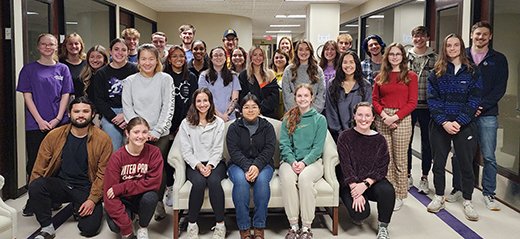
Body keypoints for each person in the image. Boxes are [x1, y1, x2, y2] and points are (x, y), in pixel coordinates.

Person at [28, 96, 112, 239]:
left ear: (92, 114)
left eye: (85, 111)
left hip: (86, 188)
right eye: (76, 111)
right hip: (61, 184)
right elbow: (39, 167)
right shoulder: (54, 135)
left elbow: (103, 173)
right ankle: (47, 227)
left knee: (89, 229)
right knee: (36, 186)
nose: (80, 115)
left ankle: (77, 207)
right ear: (69, 114)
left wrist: (92, 199)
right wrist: (34, 197)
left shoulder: (103, 139)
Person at [446, 22, 509, 211]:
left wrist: (480, 106)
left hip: (487, 114)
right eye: (477, 34)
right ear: (471, 35)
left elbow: (500, 88)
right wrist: (468, 108)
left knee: (489, 156)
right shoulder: (460, 55)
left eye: (484, 35)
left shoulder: (499, 59)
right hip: (463, 113)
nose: (480, 37)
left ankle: (488, 193)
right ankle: (458, 188)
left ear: (490, 37)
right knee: (459, 154)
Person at [426, 33, 482, 222]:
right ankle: (439, 196)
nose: (452, 48)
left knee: (466, 164)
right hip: (441, 125)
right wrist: (444, 122)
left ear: (461, 47)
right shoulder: (437, 72)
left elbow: (475, 99)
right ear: (444, 48)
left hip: (464, 125)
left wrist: (460, 121)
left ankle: (467, 200)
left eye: (456, 45)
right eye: (448, 45)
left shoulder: (472, 71)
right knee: (439, 163)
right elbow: (432, 100)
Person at [122, 44, 175, 221]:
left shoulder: (165, 79)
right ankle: (136, 206)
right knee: (135, 170)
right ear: (137, 61)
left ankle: (157, 202)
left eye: (151, 59)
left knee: (156, 170)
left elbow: (168, 107)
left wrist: (157, 130)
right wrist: (139, 132)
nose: (147, 62)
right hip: (135, 134)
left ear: (157, 60)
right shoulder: (129, 81)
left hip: (159, 133)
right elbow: (127, 108)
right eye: (143, 59)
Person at [17, 33, 73, 185]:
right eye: (44, 44)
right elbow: (27, 97)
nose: (47, 47)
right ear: (38, 46)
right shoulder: (28, 70)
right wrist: (40, 121)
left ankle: (54, 198)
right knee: (36, 161)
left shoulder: (63, 69)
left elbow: (65, 95)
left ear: (56, 47)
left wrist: (57, 119)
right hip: (36, 124)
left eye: (51, 44)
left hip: (59, 123)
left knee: (57, 160)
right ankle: (35, 199)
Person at [337, 102, 395, 239]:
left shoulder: (380, 139)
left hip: (371, 182)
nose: (364, 119)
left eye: (367, 115)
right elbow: (345, 166)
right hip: (351, 183)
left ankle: (383, 227)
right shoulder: (344, 137)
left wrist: (366, 184)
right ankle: (359, 205)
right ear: (354, 117)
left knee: (388, 191)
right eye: (360, 115)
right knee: (360, 214)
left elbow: (382, 167)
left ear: (373, 118)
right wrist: (355, 191)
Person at [372, 43, 418, 211]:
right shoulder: (380, 76)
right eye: (391, 54)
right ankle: (389, 192)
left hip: (402, 118)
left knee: (400, 158)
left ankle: (400, 194)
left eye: (398, 54)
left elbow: (412, 102)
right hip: (383, 118)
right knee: (386, 158)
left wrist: (395, 117)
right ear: (387, 57)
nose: (395, 57)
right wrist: (385, 116)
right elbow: (375, 100)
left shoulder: (410, 76)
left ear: (403, 57)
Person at [279, 84, 327, 239]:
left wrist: (304, 163)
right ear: (295, 98)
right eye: (299, 96)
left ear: (312, 97)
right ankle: (293, 225)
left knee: (305, 179)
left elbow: (318, 148)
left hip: (313, 163)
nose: (303, 99)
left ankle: (306, 227)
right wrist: (293, 162)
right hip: (290, 161)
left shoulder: (319, 119)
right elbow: (284, 144)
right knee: (287, 178)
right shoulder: (288, 118)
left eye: (306, 95)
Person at [104, 117, 164, 239]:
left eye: (144, 132)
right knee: (116, 226)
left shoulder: (154, 153)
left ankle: (142, 226)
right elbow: (108, 194)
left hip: (140, 197)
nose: (140, 136)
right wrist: (126, 228)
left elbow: (154, 183)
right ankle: (129, 219)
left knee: (151, 197)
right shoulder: (117, 157)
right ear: (127, 133)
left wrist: (123, 186)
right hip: (123, 200)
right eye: (136, 132)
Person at [179, 88, 227, 239]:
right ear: (194, 103)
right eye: (199, 101)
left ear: (210, 102)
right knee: (199, 183)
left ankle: (220, 224)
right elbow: (186, 151)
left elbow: (218, 149)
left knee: (213, 181)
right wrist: (199, 165)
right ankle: (192, 223)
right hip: (195, 163)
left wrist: (211, 165)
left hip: (215, 162)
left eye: (205, 100)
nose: (202, 104)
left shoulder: (218, 123)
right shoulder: (186, 123)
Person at [226, 94, 276, 239]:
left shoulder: (267, 127)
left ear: (259, 109)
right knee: (241, 182)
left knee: (261, 181)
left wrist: (256, 166)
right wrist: (248, 167)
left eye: (254, 107)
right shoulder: (234, 127)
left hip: (263, 164)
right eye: (246, 107)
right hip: (238, 165)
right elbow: (233, 151)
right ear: (241, 110)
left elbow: (269, 149)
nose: (250, 110)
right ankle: (244, 228)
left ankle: (259, 227)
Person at [163, 45, 198, 208]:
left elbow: (193, 101)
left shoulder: (191, 76)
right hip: (166, 124)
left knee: (183, 155)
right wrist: (169, 125)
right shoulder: (163, 76)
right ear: (169, 59)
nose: (178, 59)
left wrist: (184, 123)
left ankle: (183, 186)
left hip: (185, 123)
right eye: (175, 56)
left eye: (181, 56)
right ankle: (170, 187)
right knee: (168, 158)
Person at [91, 38, 139, 151]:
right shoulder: (101, 73)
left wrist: (126, 114)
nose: (120, 53)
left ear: (128, 52)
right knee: (114, 150)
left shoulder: (135, 70)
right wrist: (113, 117)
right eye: (116, 49)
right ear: (110, 52)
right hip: (110, 114)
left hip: (132, 111)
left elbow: (139, 96)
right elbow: (99, 100)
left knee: (133, 149)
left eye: (123, 50)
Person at [406, 26, 437, 194]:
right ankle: (408, 174)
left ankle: (424, 177)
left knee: (427, 143)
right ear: (412, 38)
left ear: (427, 37)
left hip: (428, 106)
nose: (419, 39)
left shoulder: (435, 58)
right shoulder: (405, 57)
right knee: (406, 142)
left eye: (422, 36)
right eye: (415, 36)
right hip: (409, 106)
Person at [326, 51, 372, 142]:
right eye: (345, 62)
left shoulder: (365, 85)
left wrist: (358, 131)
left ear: (357, 64)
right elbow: (331, 111)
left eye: (351, 62)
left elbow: (366, 111)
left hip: (360, 134)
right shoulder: (332, 84)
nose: (348, 65)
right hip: (337, 136)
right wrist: (340, 133)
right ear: (340, 64)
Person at [198, 46, 241, 122]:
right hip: (210, 117)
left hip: (229, 118)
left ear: (225, 58)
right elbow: (204, 98)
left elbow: (235, 98)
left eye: (221, 55)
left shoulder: (233, 76)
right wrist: (219, 115)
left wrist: (226, 115)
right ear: (211, 59)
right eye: (215, 55)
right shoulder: (204, 76)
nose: (218, 57)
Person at [282, 40, 325, 113]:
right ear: (296, 52)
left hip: (313, 114)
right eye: (300, 49)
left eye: (307, 49)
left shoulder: (318, 70)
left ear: (311, 51)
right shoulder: (288, 70)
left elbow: (321, 93)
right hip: (293, 114)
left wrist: (311, 112)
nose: (303, 52)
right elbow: (287, 94)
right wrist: (297, 112)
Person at [238, 46, 279, 119]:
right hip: (250, 115)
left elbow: (274, 97)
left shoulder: (270, 74)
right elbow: (242, 97)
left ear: (264, 57)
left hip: (269, 115)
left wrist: (260, 109)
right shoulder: (243, 75)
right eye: (255, 55)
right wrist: (254, 110)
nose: (258, 57)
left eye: (260, 55)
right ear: (250, 57)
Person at [59, 33, 87, 97]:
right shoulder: (59, 64)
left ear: (81, 45)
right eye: (70, 44)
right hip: (64, 102)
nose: (73, 46)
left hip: (83, 103)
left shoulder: (87, 64)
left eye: (76, 43)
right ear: (65, 46)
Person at [269, 49, 290, 119]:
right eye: (276, 58)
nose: (279, 59)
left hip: (286, 107)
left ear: (286, 59)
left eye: (281, 57)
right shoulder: (269, 74)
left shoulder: (290, 74)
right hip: (273, 108)